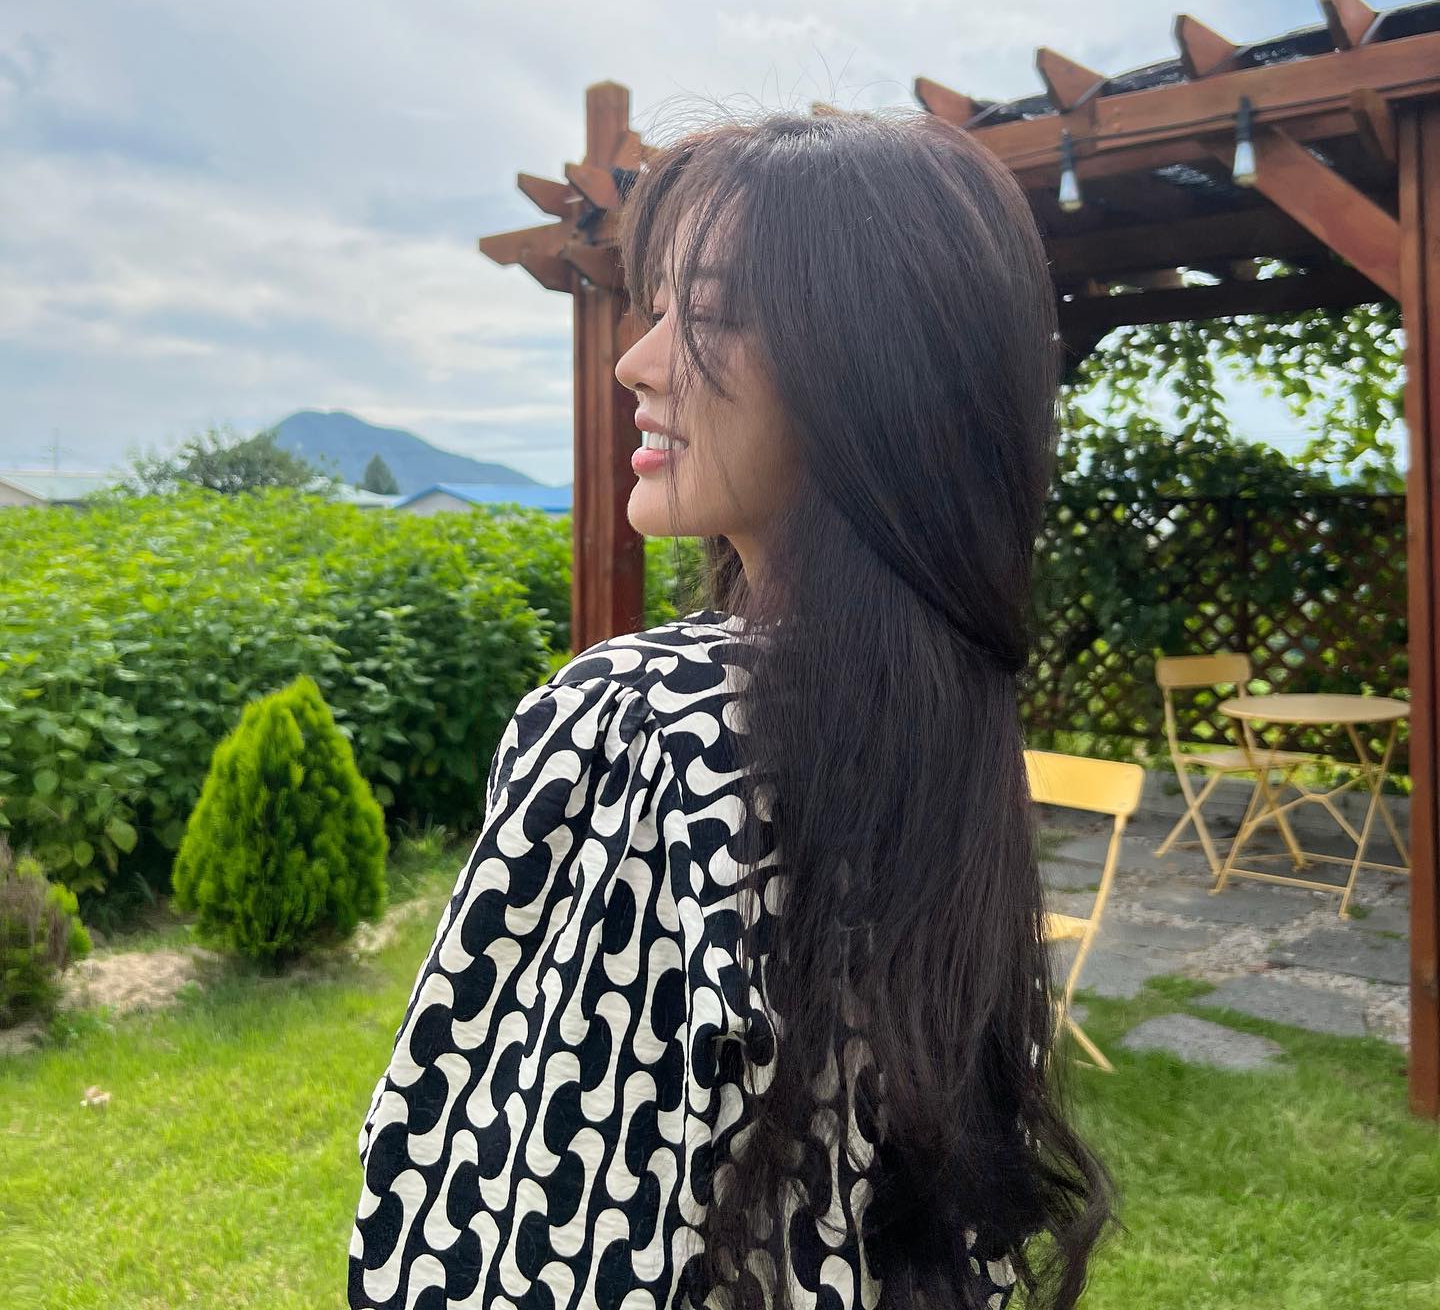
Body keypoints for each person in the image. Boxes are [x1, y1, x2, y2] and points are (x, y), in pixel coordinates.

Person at [348, 109, 1112, 1310]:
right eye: (655, 309)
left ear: (868, 376)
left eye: (705, 315)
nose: (637, 362)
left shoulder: (644, 727)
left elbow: (491, 1219)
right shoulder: (947, 710)